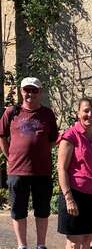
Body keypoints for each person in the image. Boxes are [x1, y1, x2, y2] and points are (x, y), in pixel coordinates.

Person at [0, 77, 58, 249]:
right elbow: (2, 135)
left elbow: (53, 139)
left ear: (40, 92)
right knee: (18, 211)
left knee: (42, 210)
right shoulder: (12, 112)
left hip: (42, 170)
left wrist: (39, 152)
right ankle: (22, 245)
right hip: (18, 170)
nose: (30, 94)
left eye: (34, 90)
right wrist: (10, 156)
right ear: (21, 91)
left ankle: (41, 245)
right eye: (27, 90)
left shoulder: (47, 114)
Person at [57, 98, 92, 249]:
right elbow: (61, 168)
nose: (90, 114)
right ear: (78, 113)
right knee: (74, 243)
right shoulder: (70, 136)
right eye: (86, 110)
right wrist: (68, 198)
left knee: (87, 241)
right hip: (75, 194)